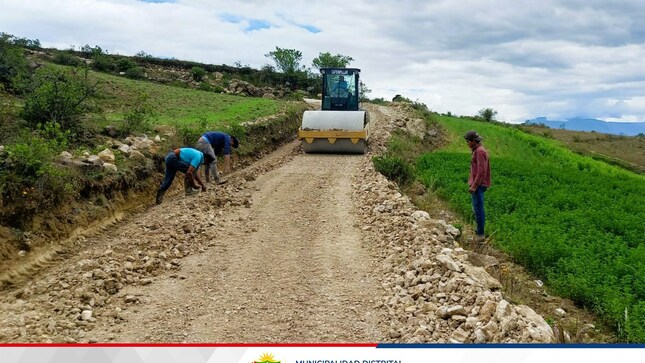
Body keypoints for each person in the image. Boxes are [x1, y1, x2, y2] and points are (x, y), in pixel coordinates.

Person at [464, 130, 491, 243]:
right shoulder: (477, 150)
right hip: (478, 184)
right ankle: (478, 233)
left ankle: (480, 235)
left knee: (478, 209)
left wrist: (474, 186)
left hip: (478, 185)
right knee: (477, 209)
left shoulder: (479, 152)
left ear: (473, 141)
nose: (467, 143)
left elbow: (481, 171)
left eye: (467, 141)